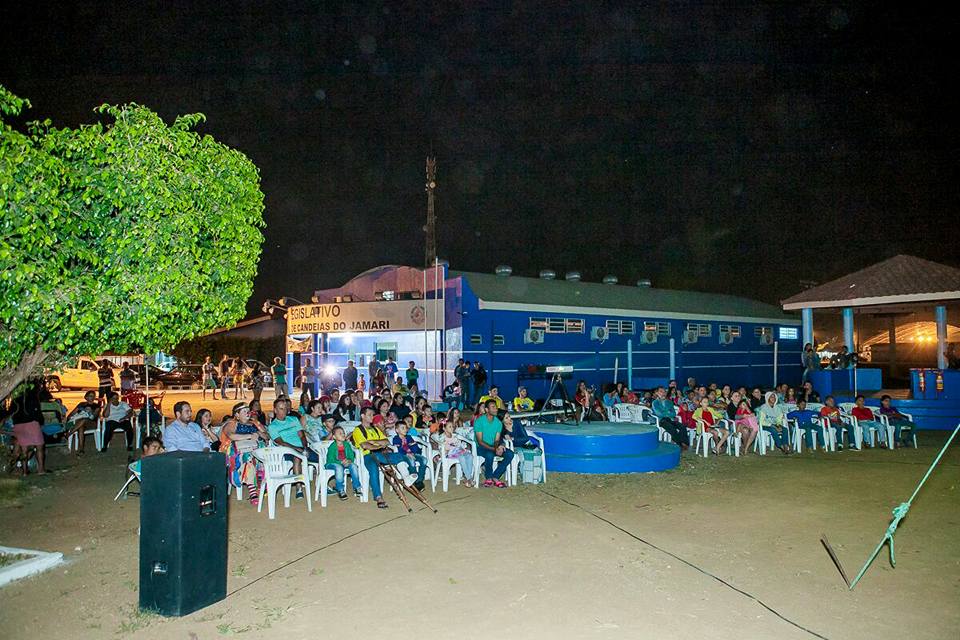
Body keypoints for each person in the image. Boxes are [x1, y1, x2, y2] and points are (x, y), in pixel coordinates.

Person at [352, 405, 412, 509]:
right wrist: (378, 445)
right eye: (369, 415)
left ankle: (406, 477)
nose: (372, 417)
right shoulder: (358, 430)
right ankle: (378, 497)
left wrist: (374, 442)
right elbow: (365, 445)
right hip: (368, 456)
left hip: (381, 454)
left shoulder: (375, 429)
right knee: (373, 468)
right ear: (362, 416)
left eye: (372, 415)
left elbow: (387, 441)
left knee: (398, 455)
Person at [220, 403, 271, 505]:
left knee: (261, 456)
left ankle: (261, 482)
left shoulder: (254, 423)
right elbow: (231, 436)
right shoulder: (231, 423)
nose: (248, 413)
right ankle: (252, 489)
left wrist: (259, 434)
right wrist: (250, 436)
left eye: (248, 410)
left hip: (256, 450)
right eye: (244, 411)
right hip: (238, 453)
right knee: (248, 458)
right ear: (237, 415)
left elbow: (267, 436)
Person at [4, 378, 47, 474]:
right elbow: (36, 411)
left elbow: (11, 411)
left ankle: (24, 472)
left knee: (24, 449)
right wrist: (40, 421)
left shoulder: (16, 398)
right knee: (39, 447)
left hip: (18, 424)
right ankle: (40, 469)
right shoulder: (33, 396)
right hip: (31, 423)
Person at [267, 398, 315, 478]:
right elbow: (281, 442)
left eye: (285, 408)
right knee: (297, 457)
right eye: (281, 409)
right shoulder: (272, 426)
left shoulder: (294, 419)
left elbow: (302, 436)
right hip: (287, 450)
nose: (284, 410)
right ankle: (299, 486)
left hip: (302, 448)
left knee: (321, 457)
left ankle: (323, 484)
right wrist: (297, 449)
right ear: (275, 410)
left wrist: (305, 447)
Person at [473, 399, 513, 487]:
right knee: (489, 454)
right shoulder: (479, 421)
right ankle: (488, 477)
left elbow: (496, 440)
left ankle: (496, 476)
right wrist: (495, 449)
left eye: (496, 407)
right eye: (493, 407)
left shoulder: (498, 423)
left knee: (510, 454)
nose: (496, 409)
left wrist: (498, 447)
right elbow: (480, 441)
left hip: (492, 446)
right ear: (487, 410)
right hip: (480, 447)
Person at [434, 418, 475, 487]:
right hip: (450, 453)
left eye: (453, 426)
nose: (452, 428)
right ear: (444, 428)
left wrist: (461, 447)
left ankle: (467, 476)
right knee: (462, 458)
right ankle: (469, 478)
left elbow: (459, 444)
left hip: (458, 451)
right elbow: (442, 446)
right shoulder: (442, 437)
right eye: (450, 427)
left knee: (470, 456)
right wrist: (452, 447)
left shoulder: (455, 435)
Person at [325, 425, 361, 500]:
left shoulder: (347, 445)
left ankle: (357, 487)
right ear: (334, 437)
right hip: (332, 463)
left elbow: (351, 455)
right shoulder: (332, 446)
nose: (343, 435)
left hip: (345, 463)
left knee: (354, 466)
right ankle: (340, 489)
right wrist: (340, 462)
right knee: (339, 467)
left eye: (343, 433)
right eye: (340, 433)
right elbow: (330, 459)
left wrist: (349, 460)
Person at [392, 421, 427, 491]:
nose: (405, 430)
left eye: (406, 428)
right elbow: (398, 449)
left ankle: (419, 480)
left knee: (424, 460)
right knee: (411, 461)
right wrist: (407, 453)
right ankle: (414, 479)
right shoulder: (396, 439)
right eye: (403, 428)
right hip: (403, 455)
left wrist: (414, 449)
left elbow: (416, 448)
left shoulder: (409, 437)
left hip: (413, 454)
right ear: (397, 430)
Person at [64, 390, 100, 455]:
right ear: (86, 397)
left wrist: (90, 412)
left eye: (93, 396)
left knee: (83, 420)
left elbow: (94, 416)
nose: (92, 398)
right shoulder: (81, 404)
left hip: (91, 423)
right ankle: (81, 449)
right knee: (81, 427)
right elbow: (72, 414)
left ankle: (69, 434)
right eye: (90, 396)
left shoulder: (96, 406)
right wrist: (69, 419)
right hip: (79, 423)